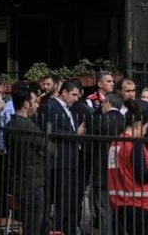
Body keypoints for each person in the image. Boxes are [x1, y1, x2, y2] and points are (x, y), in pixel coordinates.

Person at [6, 82, 55, 235]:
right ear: (26, 104)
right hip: (32, 182)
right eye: (34, 102)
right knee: (33, 226)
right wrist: (42, 151)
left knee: (27, 224)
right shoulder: (28, 126)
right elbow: (52, 149)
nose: (37, 106)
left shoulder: (10, 124)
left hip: (18, 180)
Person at [39, 80, 85, 235]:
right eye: (73, 94)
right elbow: (52, 131)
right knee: (62, 200)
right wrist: (74, 134)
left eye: (78, 95)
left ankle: (69, 229)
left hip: (72, 159)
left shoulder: (69, 110)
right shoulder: (50, 107)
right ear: (64, 92)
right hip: (60, 161)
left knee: (71, 199)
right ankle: (58, 230)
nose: (76, 98)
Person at [108, 98, 148, 235]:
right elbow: (142, 175)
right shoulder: (135, 145)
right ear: (138, 125)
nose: (145, 133)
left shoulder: (116, 143)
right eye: (145, 128)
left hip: (118, 204)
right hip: (138, 204)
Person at [92, 91, 125, 235]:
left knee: (105, 208)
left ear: (107, 102)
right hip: (121, 170)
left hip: (102, 170)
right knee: (119, 207)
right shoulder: (125, 120)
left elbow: (90, 146)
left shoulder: (100, 120)